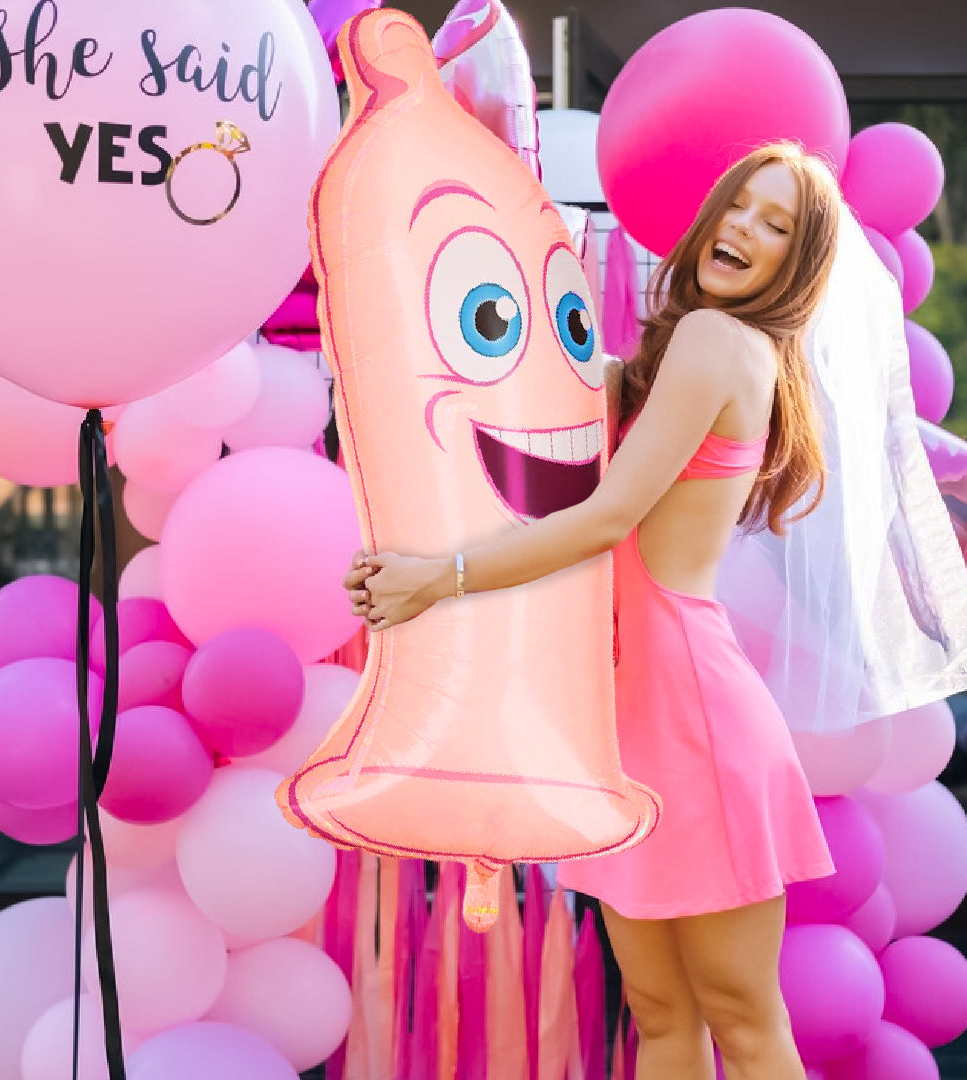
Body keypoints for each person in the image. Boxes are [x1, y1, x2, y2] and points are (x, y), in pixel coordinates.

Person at [346, 142, 841, 1080]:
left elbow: (606, 519)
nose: (743, 228)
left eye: (775, 225)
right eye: (739, 204)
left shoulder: (720, 341)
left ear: (796, 263)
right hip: (628, 721)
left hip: (692, 719)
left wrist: (438, 578)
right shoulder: (681, 354)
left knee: (741, 1018)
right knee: (661, 1016)